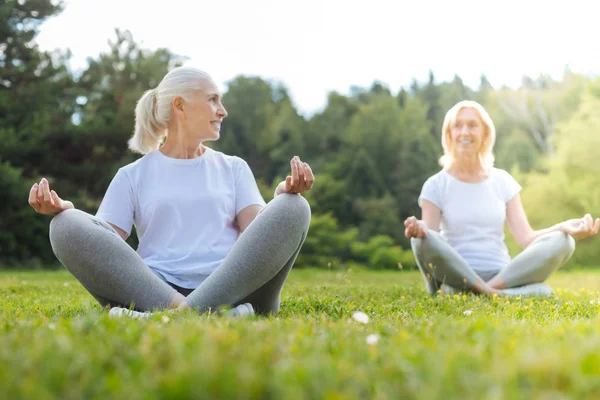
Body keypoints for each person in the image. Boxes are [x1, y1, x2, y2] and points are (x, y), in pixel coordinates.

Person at [28, 66, 313, 317]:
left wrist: (281, 197)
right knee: (64, 225)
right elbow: (106, 244)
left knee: (295, 206)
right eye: (213, 100)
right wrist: (66, 210)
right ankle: (196, 312)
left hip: (234, 289)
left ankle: (181, 314)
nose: (223, 111)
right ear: (180, 105)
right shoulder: (132, 175)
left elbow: (258, 237)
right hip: (155, 291)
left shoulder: (233, 168)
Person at [404, 100, 599, 296]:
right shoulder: (435, 185)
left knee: (564, 241)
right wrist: (420, 230)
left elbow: (526, 238)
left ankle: (485, 291)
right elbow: (432, 243)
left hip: (502, 273)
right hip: (456, 275)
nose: (464, 132)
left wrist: (563, 226)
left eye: (472, 125)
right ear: (449, 134)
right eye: (457, 126)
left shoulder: (503, 181)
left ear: (485, 134)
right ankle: (503, 294)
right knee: (421, 239)